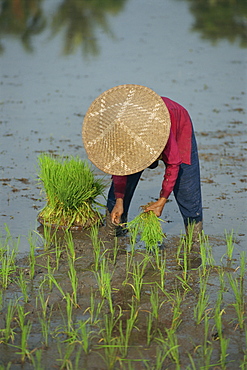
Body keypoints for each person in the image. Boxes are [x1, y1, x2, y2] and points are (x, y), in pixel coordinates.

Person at [82, 84, 203, 252]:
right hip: (134, 130)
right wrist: (119, 200)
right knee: (125, 177)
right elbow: (120, 171)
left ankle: (195, 239)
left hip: (175, 122)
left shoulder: (161, 129)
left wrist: (162, 201)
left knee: (186, 186)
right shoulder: (120, 132)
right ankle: (114, 230)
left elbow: (174, 163)